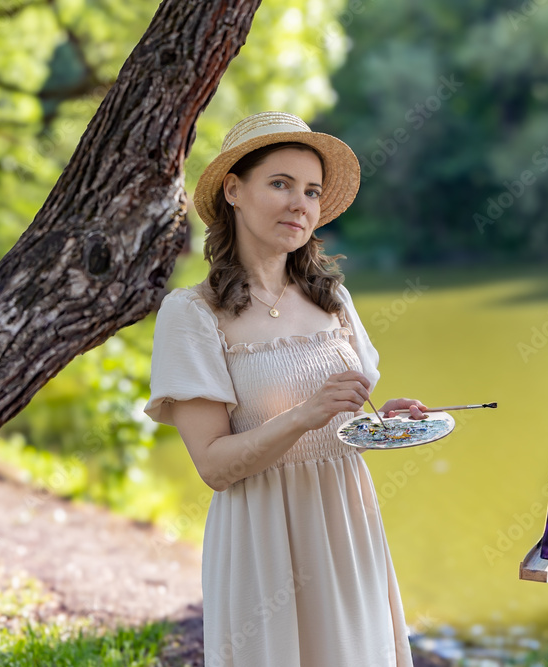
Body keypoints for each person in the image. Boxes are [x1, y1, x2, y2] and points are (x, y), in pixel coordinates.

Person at [143, 112, 425, 666]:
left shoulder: (332, 299)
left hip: (348, 525)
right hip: (262, 538)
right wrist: (308, 412)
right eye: (281, 184)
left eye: (312, 191)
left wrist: (379, 421)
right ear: (234, 191)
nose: (301, 203)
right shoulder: (192, 314)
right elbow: (214, 466)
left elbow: (340, 427)